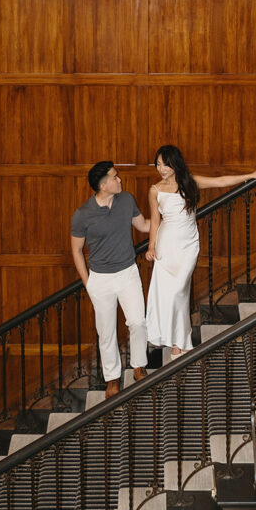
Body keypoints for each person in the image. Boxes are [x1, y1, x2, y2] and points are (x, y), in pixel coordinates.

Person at [145, 145, 256, 357]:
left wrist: (249, 176)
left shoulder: (189, 182)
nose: (161, 169)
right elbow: (155, 221)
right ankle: (179, 342)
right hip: (166, 245)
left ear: (175, 163)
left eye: (165, 164)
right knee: (172, 295)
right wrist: (151, 246)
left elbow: (219, 181)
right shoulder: (154, 190)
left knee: (179, 291)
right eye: (158, 164)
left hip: (188, 245)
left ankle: (179, 340)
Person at [71, 161, 151, 398]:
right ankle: (113, 379)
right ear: (103, 185)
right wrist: (88, 283)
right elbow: (76, 250)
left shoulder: (126, 200)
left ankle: (139, 367)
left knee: (137, 322)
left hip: (127, 272)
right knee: (106, 333)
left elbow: (144, 225)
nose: (120, 180)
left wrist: (171, 221)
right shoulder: (82, 214)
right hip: (100, 279)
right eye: (115, 178)